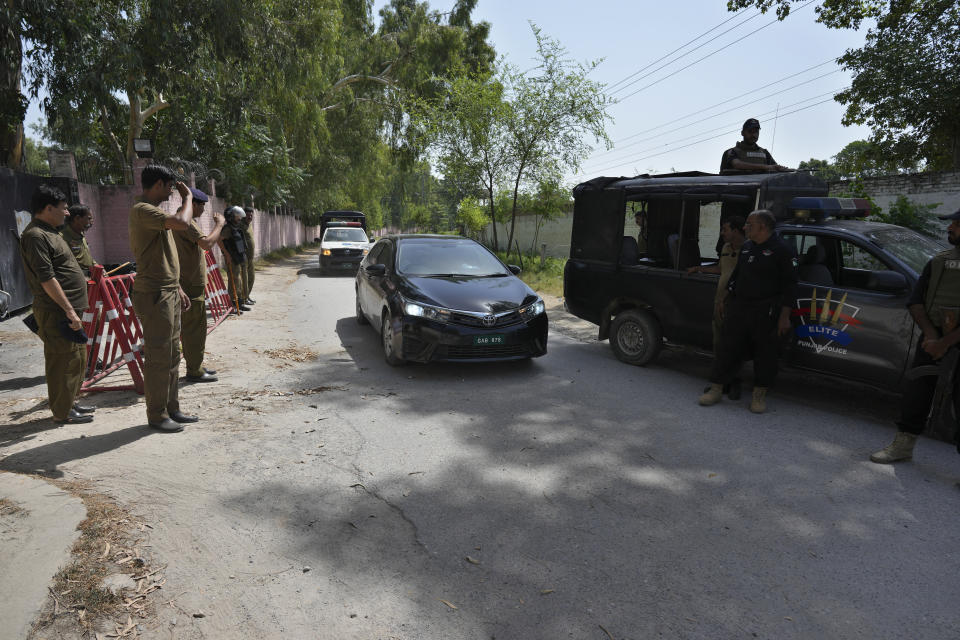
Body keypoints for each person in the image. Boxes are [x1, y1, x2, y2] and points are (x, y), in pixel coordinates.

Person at [871, 209, 960, 463]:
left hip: (948, 343)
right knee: (917, 393)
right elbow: (916, 301)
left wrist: (945, 343)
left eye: (957, 223)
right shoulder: (939, 261)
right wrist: (932, 337)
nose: (950, 227)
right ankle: (903, 445)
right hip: (932, 341)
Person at [699, 210, 797, 413]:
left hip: (766, 311)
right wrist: (724, 298)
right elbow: (736, 276)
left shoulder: (782, 251)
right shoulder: (747, 248)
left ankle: (759, 395)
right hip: (739, 307)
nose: (745, 228)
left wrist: (784, 317)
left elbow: (790, 286)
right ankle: (716, 388)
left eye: (749, 224)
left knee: (765, 353)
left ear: (762, 227)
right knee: (727, 348)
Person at [129, 165, 198, 432]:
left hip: (167, 290)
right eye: (169, 186)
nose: (171, 192)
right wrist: (188, 198)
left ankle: (172, 408)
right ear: (158, 184)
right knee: (159, 356)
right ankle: (156, 415)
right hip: (155, 293)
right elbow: (182, 223)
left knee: (172, 355)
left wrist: (177, 286)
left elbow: (164, 256)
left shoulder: (155, 213)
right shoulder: (142, 210)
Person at [18, 184, 94, 424]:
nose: (67, 213)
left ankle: (69, 402)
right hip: (56, 311)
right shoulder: (35, 236)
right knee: (61, 361)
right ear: (48, 208)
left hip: (67, 310)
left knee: (76, 359)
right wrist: (69, 310)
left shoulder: (51, 231)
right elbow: (46, 277)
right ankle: (62, 412)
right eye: (63, 209)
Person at [689, 216, 747, 398]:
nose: (722, 233)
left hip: (736, 304)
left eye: (725, 229)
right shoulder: (725, 248)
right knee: (718, 344)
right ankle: (719, 382)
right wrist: (698, 268)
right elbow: (721, 269)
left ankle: (734, 381)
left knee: (734, 345)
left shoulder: (749, 250)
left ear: (736, 231)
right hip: (719, 302)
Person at [172, 187, 226, 383]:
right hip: (189, 283)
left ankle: (196, 365)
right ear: (192, 204)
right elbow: (206, 244)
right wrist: (219, 225)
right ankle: (194, 370)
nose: (203, 209)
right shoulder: (186, 223)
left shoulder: (184, 221)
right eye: (201, 205)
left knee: (193, 328)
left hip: (190, 282)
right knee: (194, 329)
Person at [719, 119, 789, 174]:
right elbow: (737, 164)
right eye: (750, 131)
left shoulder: (764, 152)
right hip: (738, 190)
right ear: (742, 133)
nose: (753, 135)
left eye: (756, 132)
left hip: (761, 190)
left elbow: (774, 169)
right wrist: (766, 167)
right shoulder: (732, 152)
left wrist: (782, 169)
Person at [219, 206, 249, 313]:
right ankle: (232, 305)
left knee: (238, 281)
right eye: (237, 216)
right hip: (231, 258)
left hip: (238, 257)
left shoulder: (235, 227)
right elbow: (219, 239)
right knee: (233, 281)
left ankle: (239, 303)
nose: (239, 218)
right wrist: (226, 254)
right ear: (231, 216)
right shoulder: (227, 228)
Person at [60, 204, 99, 277]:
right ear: (77, 218)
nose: (91, 222)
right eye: (89, 218)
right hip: (77, 279)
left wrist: (97, 266)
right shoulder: (61, 238)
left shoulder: (81, 235)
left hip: (90, 278)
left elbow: (87, 257)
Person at [241, 207, 256, 305]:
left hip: (251, 258)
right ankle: (243, 298)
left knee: (251, 277)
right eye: (248, 215)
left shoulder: (249, 225)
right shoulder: (240, 225)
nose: (249, 217)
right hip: (243, 257)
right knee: (244, 279)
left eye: (251, 215)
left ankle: (247, 296)